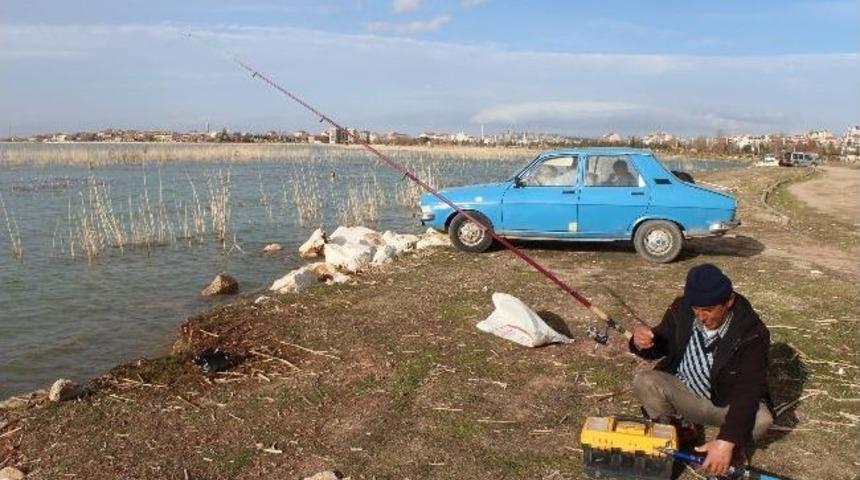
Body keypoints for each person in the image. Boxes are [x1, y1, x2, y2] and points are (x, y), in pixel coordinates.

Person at [630, 263, 773, 477]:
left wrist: (726, 442)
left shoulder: (752, 332)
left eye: (708, 310)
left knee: (762, 419)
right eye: (696, 309)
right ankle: (681, 432)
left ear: (729, 301)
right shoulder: (682, 309)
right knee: (645, 380)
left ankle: (733, 449)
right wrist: (640, 342)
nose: (701, 316)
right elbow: (661, 344)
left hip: (726, 405)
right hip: (686, 392)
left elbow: (748, 390)